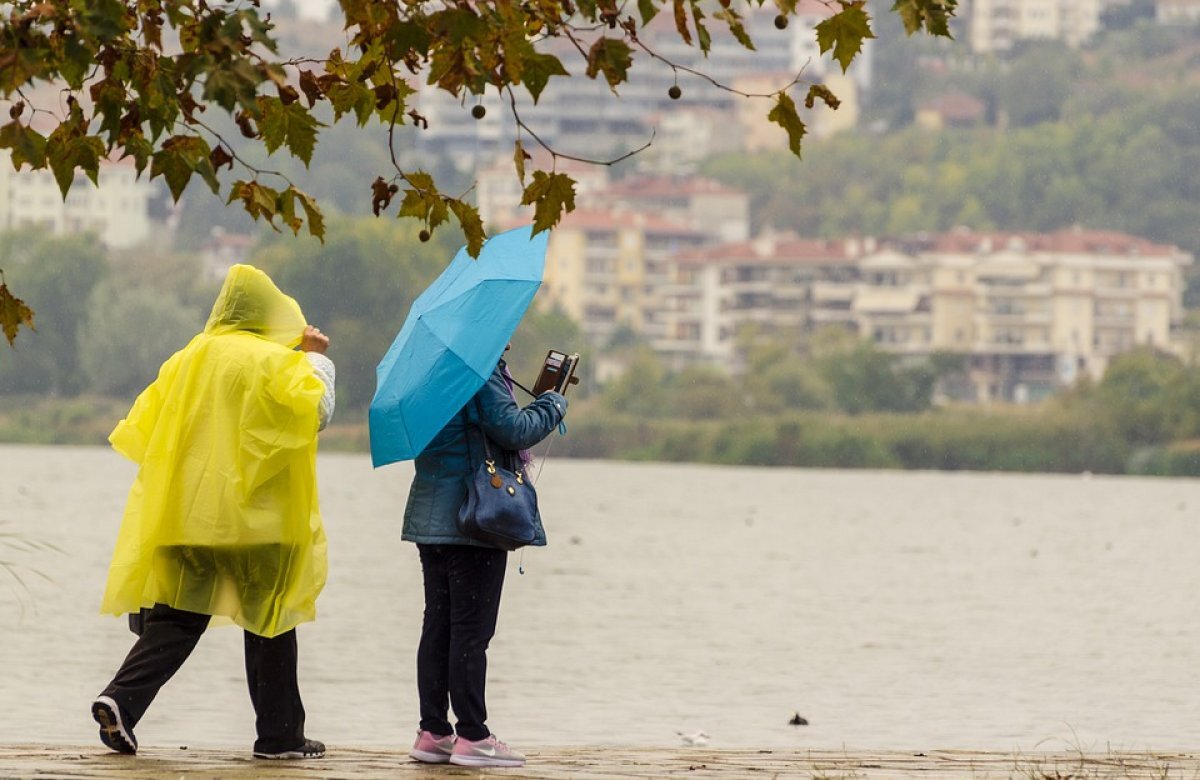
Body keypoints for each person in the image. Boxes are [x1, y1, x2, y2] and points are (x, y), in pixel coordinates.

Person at [91, 264, 335, 761]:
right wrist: (313, 361)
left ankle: (120, 699)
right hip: (258, 522)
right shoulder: (274, 361)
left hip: (188, 518)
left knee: (176, 618)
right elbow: (315, 413)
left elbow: (144, 427)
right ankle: (280, 736)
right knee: (269, 621)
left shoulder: (188, 357)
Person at [402, 352, 567, 768]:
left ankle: (433, 731)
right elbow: (513, 430)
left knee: (439, 626)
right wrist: (552, 402)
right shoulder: (476, 367)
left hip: (431, 517)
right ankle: (473, 735)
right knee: (471, 632)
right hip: (474, 520)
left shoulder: (428, 369)